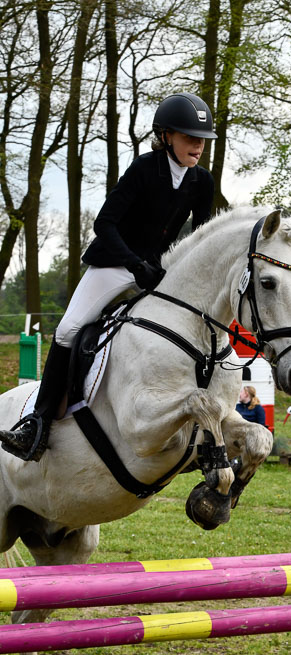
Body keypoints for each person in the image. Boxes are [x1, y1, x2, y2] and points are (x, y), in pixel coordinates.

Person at [0, 93, 217, 462]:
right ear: (165, 136)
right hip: (115, 264)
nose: (197, 145)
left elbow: (200, 238)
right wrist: (134, 264)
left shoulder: (202, 181)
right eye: (188, 136)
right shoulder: (144, 169)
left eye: (201, 139)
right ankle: (37, 423)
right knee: (69, 329)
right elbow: (104, 223)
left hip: (159, 272)